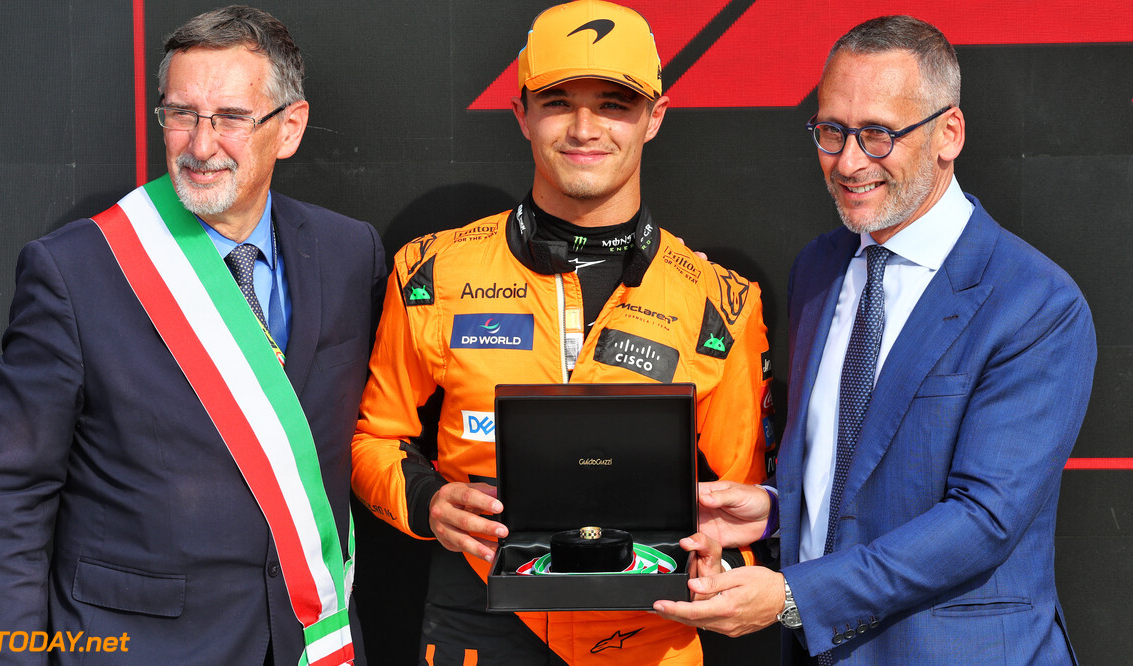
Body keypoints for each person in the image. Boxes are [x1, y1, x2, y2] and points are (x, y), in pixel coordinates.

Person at [653, 15, 1096, 665]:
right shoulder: (818, 269)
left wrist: (791, 596)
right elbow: (859, 467)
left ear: (949, 133)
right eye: (831, 131)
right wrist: (777, 511)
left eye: (879, 134)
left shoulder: (1035, 303)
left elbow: (982, 522)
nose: (849, 161)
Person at [350, 1, 773, 663]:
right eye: (557, 102)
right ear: (521, 113)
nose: (584, 129)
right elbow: (374, 437)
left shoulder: (719, 302)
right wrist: (430, 501)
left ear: (654, 118)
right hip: (481, 619)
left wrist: (727, 557)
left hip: (649, 630)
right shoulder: (433, 269)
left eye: (613, 103)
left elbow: (741, 494)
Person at [0, 6, 386, 664]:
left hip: (311, 639)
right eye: (180, 113)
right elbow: (11, 498)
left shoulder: (348, 252)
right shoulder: (75, 271)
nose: (199, 144)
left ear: (290, 127)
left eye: (230, 118)